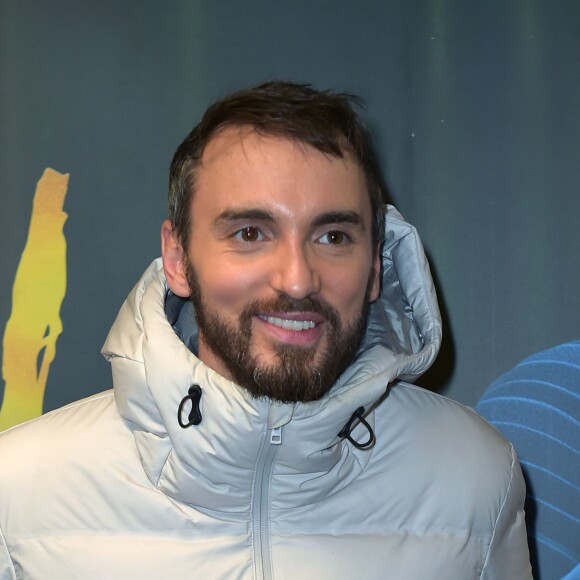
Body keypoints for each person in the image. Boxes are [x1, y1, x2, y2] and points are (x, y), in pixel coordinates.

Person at [0, 82, 531, 579]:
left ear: (374, 268)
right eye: (251, 233)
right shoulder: (18, 491)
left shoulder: (477, 477)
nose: (297, 280)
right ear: (178, 257)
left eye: (334, 236)